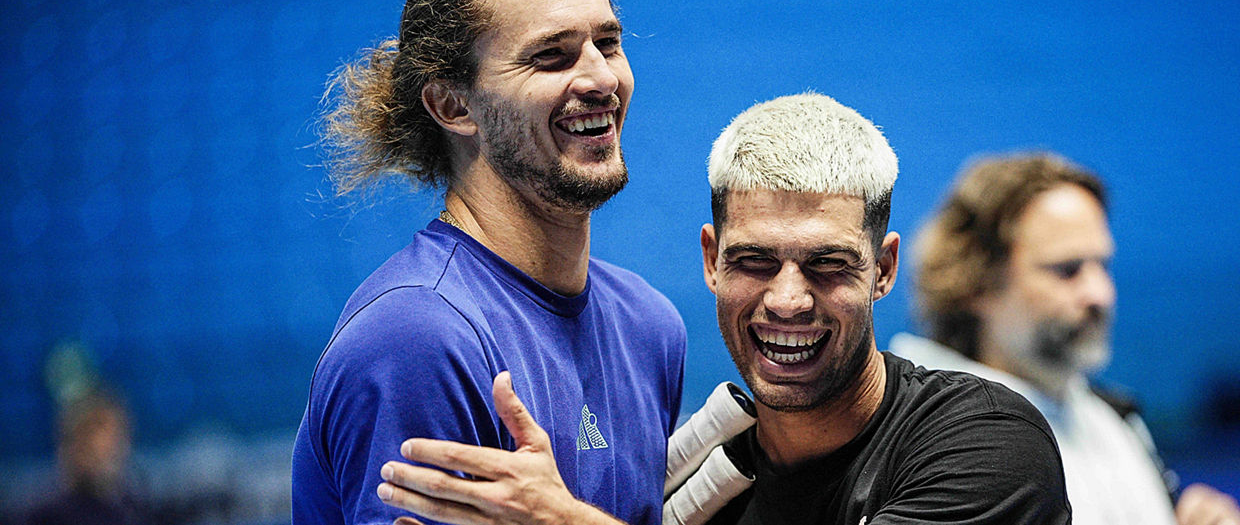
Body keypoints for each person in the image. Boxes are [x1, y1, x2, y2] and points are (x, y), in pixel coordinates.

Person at [376, 94, 1071, 525]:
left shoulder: (987, 444)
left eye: (828, 265)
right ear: (711, 259)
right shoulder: (701, 485)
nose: (788, 299)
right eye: (754, 261)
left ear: (883, 268)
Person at [291, 0, 686, 525]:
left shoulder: (649, 327)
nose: (601, 79)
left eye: (607, 44)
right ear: (453, 106)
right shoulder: (418, 339)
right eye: (551, 56)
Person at [891, 153, 1240, 525]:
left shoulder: (1116, 419)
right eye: (1067, 270)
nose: (1100, 294)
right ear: (974, 280)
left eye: (1102, 266)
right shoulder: (921, 431)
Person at [24, 390, 155, 525]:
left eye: (113, 437)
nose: (102, 446)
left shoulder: (138, 510)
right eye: (88, 437)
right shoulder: (47, 516)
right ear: (68, 446)